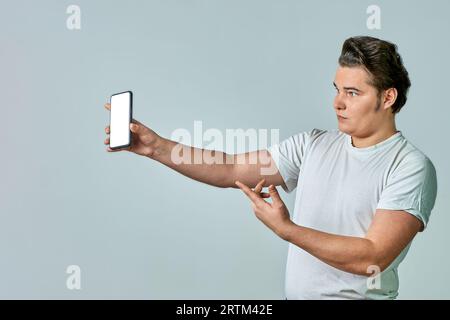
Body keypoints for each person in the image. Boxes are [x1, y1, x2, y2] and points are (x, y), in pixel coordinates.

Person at [103, 36, 437, 299]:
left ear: (388, 98)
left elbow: (372, 257)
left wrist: (286, 229)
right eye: (337, 90)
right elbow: (229, 168)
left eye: (352, 92)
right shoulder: (314, 144)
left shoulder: (409, 166)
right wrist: (157, 147)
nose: (337, 102)